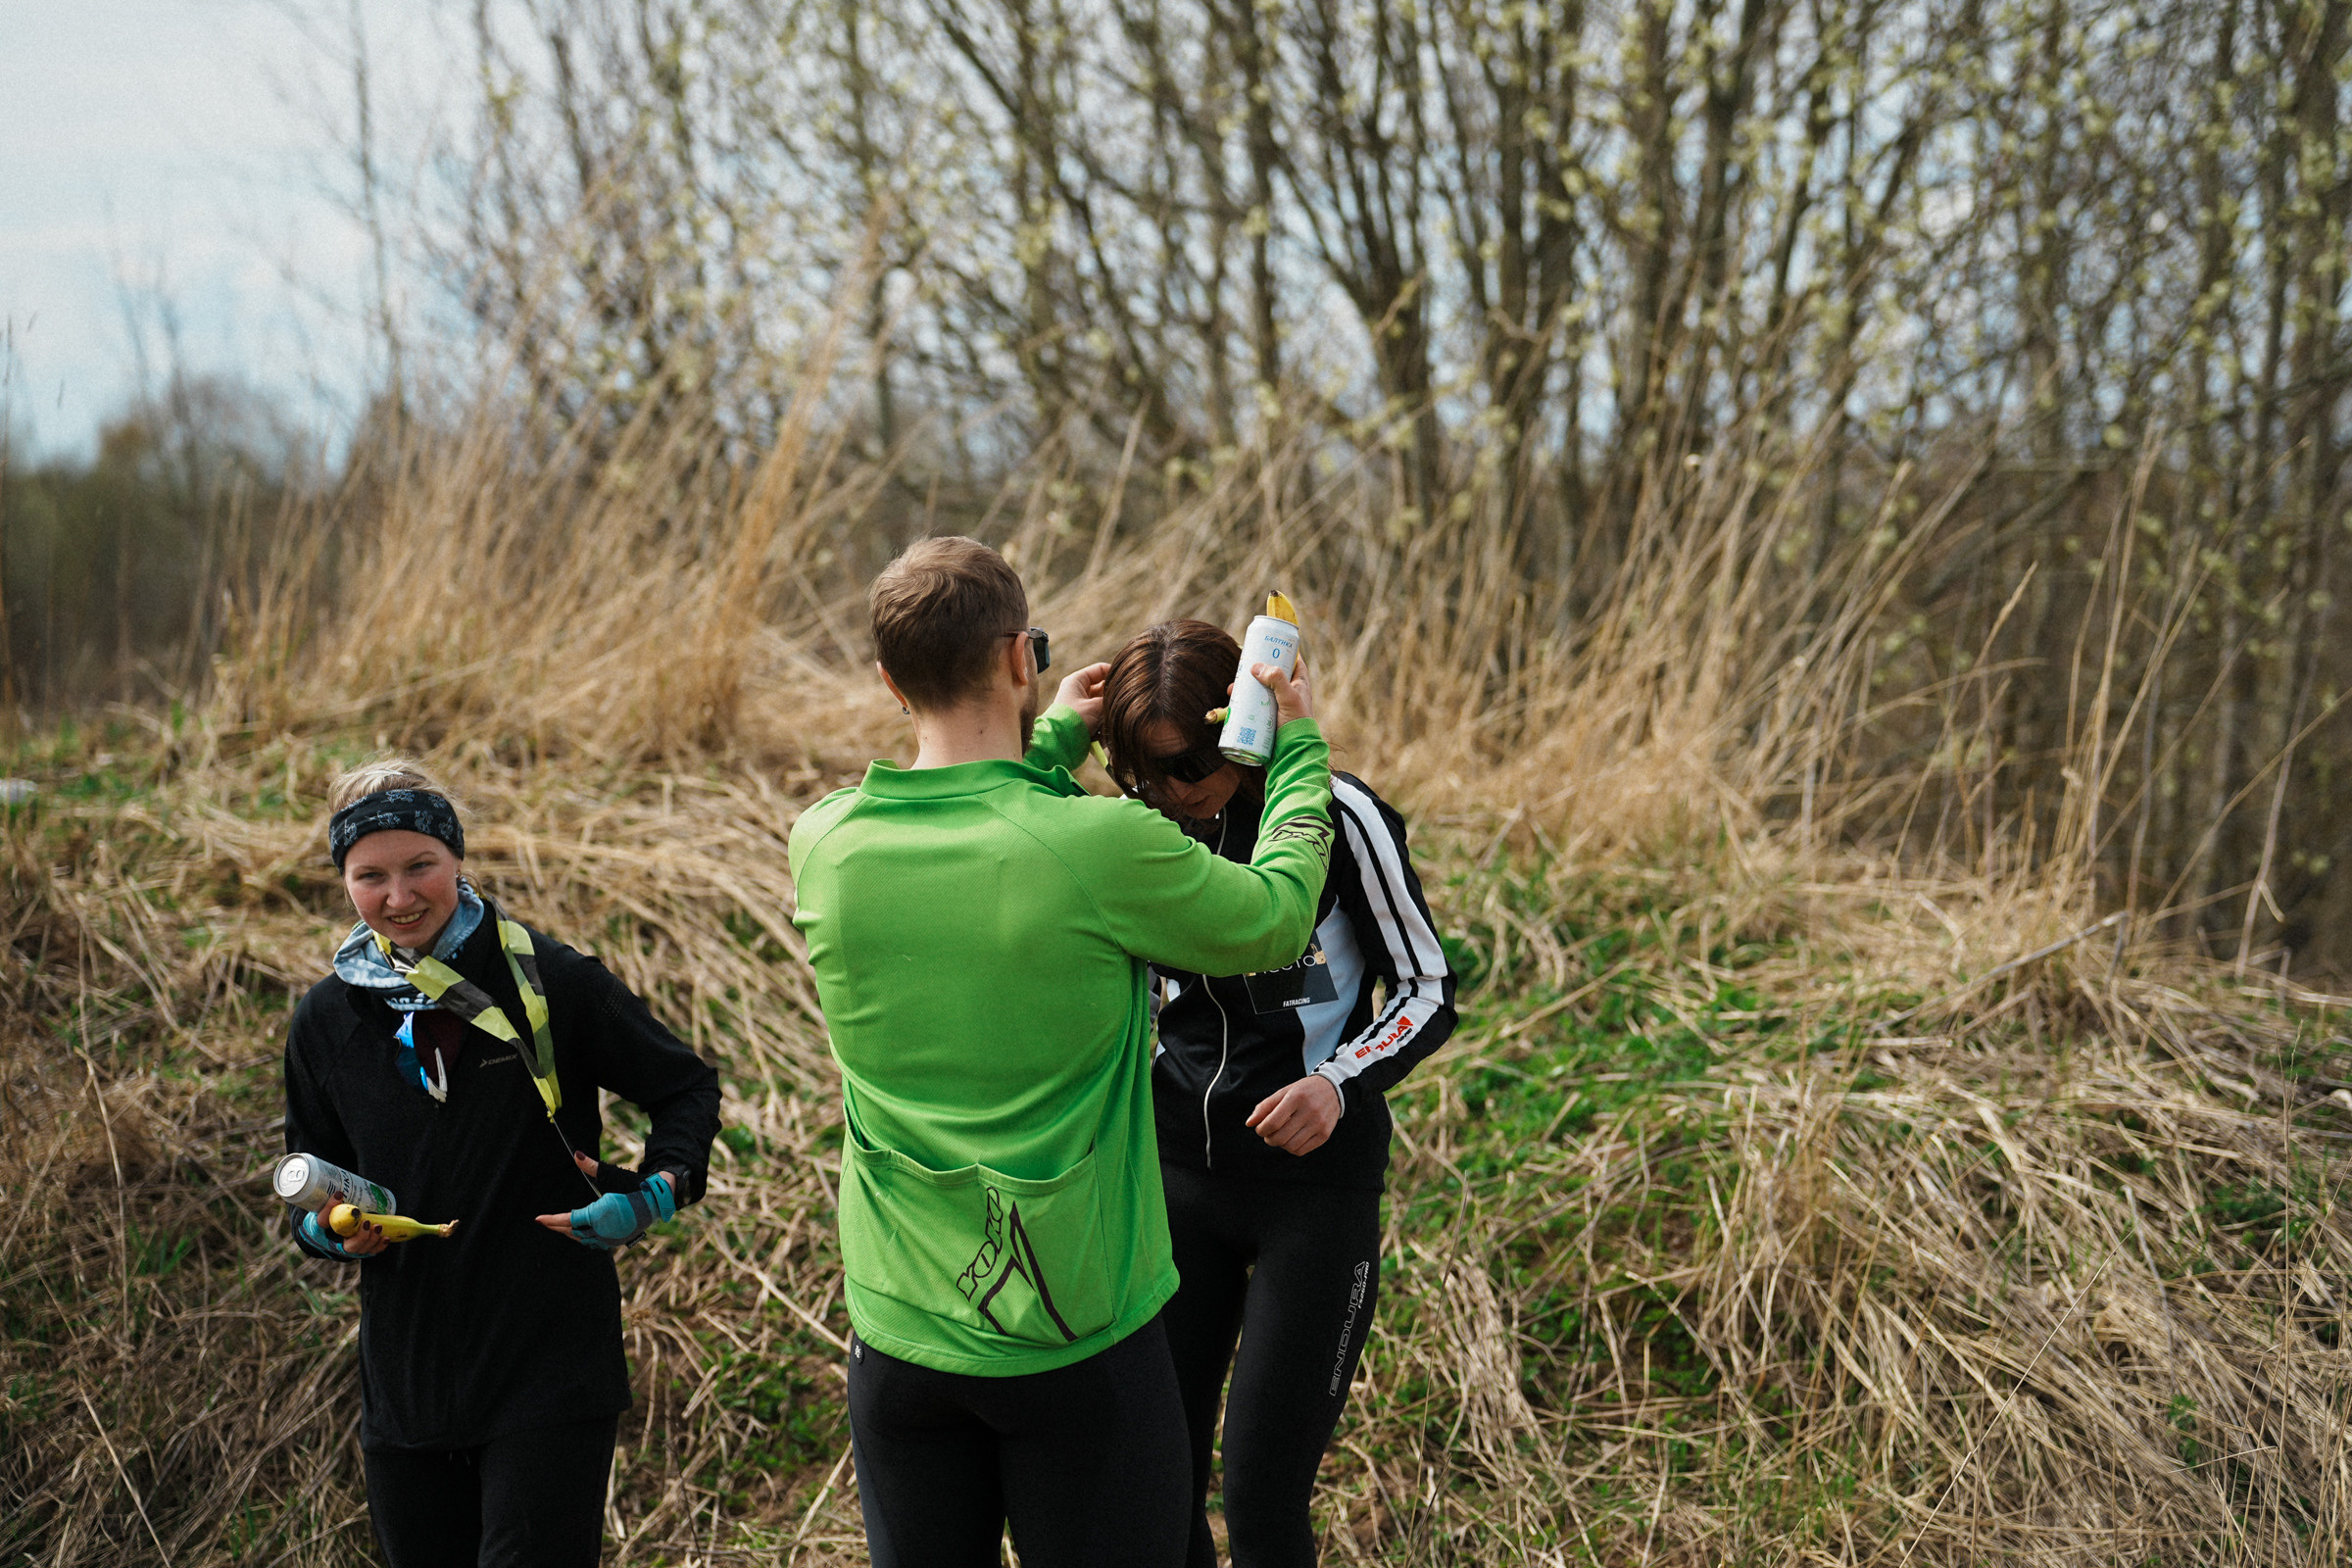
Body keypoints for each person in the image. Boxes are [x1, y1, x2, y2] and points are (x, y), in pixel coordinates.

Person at [788, 538, 1334, 1568]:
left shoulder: (823, 843)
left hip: (899, 1334)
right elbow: (1271, 916)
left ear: (888, 680)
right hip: (1078, 1333)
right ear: (1017, 658)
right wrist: (1299, 748)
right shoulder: (1097, 845)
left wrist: (1041, 749)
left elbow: (981, 841)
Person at [1068, 617, 1457, 1568]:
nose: (1173, 792)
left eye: (1191, 764)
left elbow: (1428, 985)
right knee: (1159, 1482)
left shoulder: (1343, 816)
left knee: (1262, 1494)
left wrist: (1335, 1082)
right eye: (1142, 774)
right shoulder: (1137, 834)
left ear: (1238, 728)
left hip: (1313, 1192)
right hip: (1175, 1181)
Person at [281, 761, 722, 1568]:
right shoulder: (325, 1021)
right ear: (343, 881)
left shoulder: (547, 978)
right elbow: (306, 1184)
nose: (400, 896)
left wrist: (653, 1194)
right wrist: (330, 1235)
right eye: (370, 876)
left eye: (421, 867)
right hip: (407, 1388)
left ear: (457, 858)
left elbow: (687, 1088)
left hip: (548, 1368)